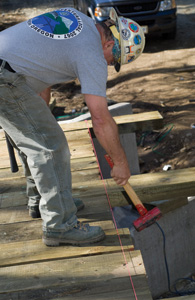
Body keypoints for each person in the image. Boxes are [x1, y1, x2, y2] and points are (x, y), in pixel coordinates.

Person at [0, 7, 145, 246]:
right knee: (51, 147)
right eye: (113, 61)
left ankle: (44, 199)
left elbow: (38, 69)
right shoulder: (92, 52)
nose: (108, 65)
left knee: (38, 138)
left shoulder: (77, 20)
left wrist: (40, 119)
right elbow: (100, 118)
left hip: (9, 70)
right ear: (110, 46)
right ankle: (60, 224)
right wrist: (120, 162)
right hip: (5, 78)